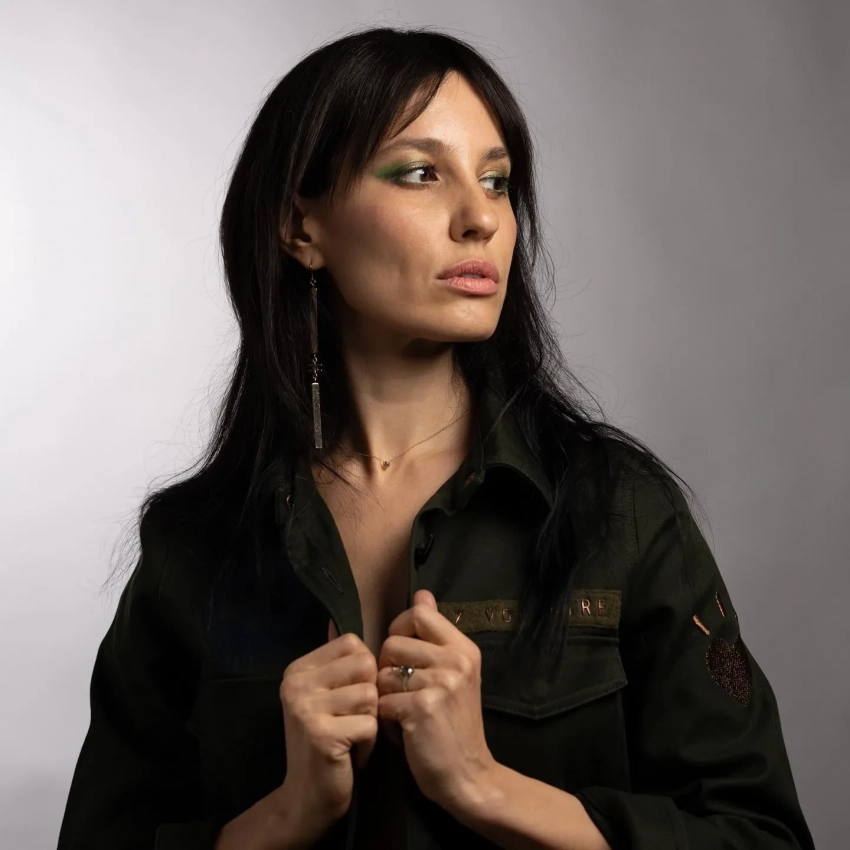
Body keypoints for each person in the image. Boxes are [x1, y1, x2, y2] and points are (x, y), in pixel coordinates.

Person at [57, 26, 815, 850]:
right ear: (301, 228)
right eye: (421, 173)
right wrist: (284, 815)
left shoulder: (619, 513)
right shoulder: (195, 546)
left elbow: (761, 835)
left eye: (497, 181)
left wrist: (484, 785)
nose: (480, 218)